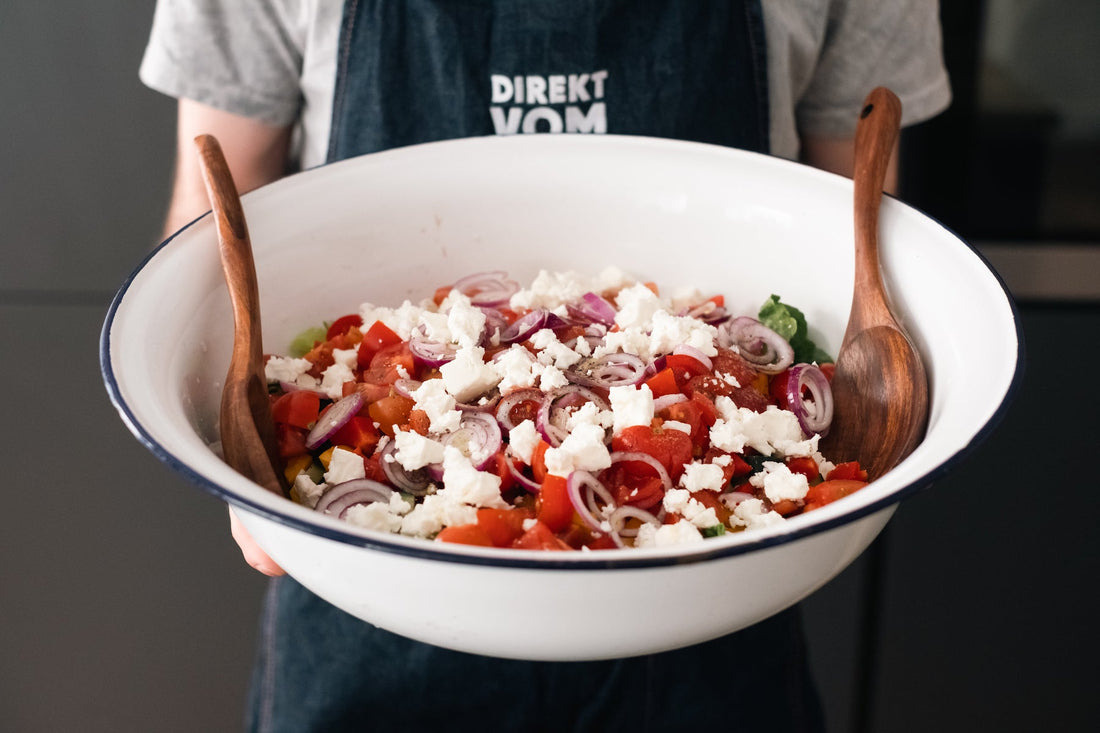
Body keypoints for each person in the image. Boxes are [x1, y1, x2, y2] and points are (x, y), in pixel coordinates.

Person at [140, 2, 951, 731]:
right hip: (369, 611)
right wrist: (231, 452)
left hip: (715, 614)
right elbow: (210, 224)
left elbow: (848, 233)